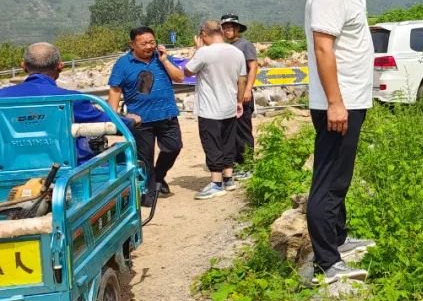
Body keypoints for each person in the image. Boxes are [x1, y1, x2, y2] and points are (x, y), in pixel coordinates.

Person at [304, 0, 378, 284]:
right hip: (339, 102)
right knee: (329, 180)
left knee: (340, 177)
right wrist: (335, 102)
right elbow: (323, 47)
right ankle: (326, 262)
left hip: (350, 99)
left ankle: (339, 240)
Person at [0, 42, 140, 165]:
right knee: (123, 155)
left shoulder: (3, 97)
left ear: (23, 66)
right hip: (67, 170)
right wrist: (130, 120)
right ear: (60, 66)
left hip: (8, 169)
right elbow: (111, 122)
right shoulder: (72, 99)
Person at [108, 26, 186, 206]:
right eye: (144, 43)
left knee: (173, 148)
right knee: (145, 158)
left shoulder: (161, 58)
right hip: (140, 120)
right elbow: (115, 89)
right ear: (132, 44)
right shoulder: (123, 63)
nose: (149, 46)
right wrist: (113, 117)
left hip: (167, 114)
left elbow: (180, 77)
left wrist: (165, 60)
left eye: (152, 42)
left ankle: (158, 177)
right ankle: (149, 191)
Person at [185, 20, 247, 200]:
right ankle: (228, 179)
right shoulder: (236, 52)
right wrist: (239, 101)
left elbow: (188, 72)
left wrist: (197, 49)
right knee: (228, 142)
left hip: (209, 109)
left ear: (204, 34)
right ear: (220, 31)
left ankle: (216, 183)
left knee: (212, 144)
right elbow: (242, 79)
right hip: (230, 105)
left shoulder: (204, 52)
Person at [220, 13, 258, 178]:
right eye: (225, 28)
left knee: (243, 130)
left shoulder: (245, 45)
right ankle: (236, 164)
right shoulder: (226, 46)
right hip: (229, 95)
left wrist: (248, 89)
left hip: (242, 95)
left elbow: (253, 67)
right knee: (231, 131)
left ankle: (248, 165)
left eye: (230, 27)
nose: (227, 30)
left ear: (237, 29)